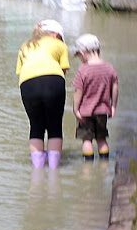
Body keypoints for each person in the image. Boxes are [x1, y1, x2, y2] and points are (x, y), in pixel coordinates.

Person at [16, 19, 70, 169]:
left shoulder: (25, 46)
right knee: (54, 126)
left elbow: (21, 71)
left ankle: (38, 170)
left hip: (27, 83)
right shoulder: (59, 45)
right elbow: (63, 70)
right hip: (53, 80)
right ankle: (54, 171)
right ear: (55, 35)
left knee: (36, 126)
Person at [72, 33, 119, 160]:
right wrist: (113, 106)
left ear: (82, 53)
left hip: (86, 112)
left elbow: (78, 92)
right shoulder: (110, 68)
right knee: (101, 138)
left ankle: (88, 168)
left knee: (87, 140)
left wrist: (76, 110)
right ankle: (104, 162)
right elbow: (115, 87)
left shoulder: (83, 70)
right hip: (103, 111)